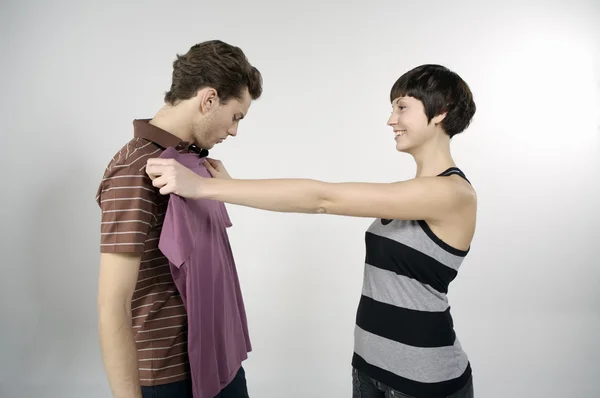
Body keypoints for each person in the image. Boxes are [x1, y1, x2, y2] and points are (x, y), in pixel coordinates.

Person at [146, 64, 478, 398]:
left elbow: (324, 198)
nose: (391, 120)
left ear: (441, 112)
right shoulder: (411, 193)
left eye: (402, 107)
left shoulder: (451, 194)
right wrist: (231, 186)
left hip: (425, 382)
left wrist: (202, 188)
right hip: (369, 370)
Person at [95, 40, 262, 398]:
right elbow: (112, 305)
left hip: (221, 360)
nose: (234, 131)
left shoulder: (194, 164)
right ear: (208, 100)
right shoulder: (134, 169)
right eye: (236, 117)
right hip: (171, 375)